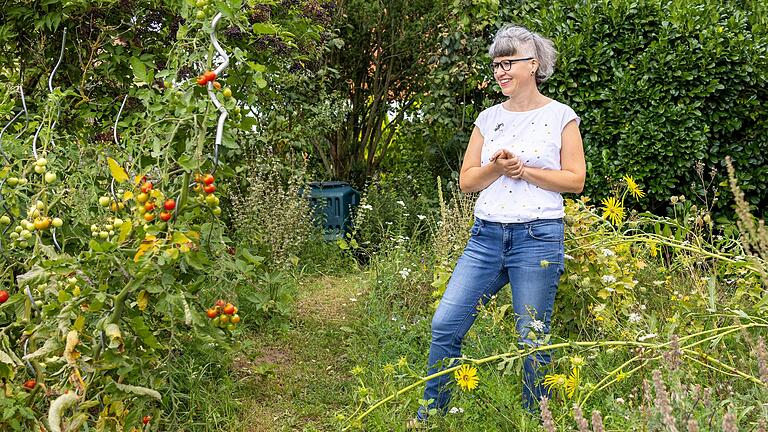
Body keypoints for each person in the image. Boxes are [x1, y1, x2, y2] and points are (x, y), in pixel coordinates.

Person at [410, 24, 585, 425]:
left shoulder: (561, 116)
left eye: (509, 63)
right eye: (496, 64)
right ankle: (432, 413)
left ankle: (535, 418)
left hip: (538, 238)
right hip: (486, 238)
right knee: (445, 323)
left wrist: (525, 171)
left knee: (532, 338)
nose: (501, 71)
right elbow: (467, 181)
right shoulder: (488, 118)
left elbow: (575, 180)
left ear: (533, 65)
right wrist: (496, 166)